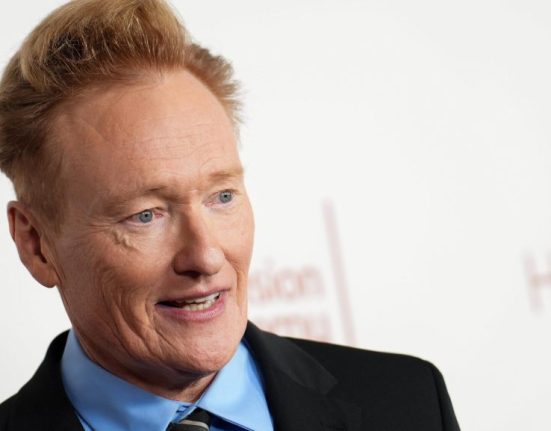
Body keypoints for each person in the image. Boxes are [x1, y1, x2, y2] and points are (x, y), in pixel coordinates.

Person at [0, 1, 460, 430]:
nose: (206, 256)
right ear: (36, 245)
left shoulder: (410, 403)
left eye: (221, 196)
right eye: (145, 215)